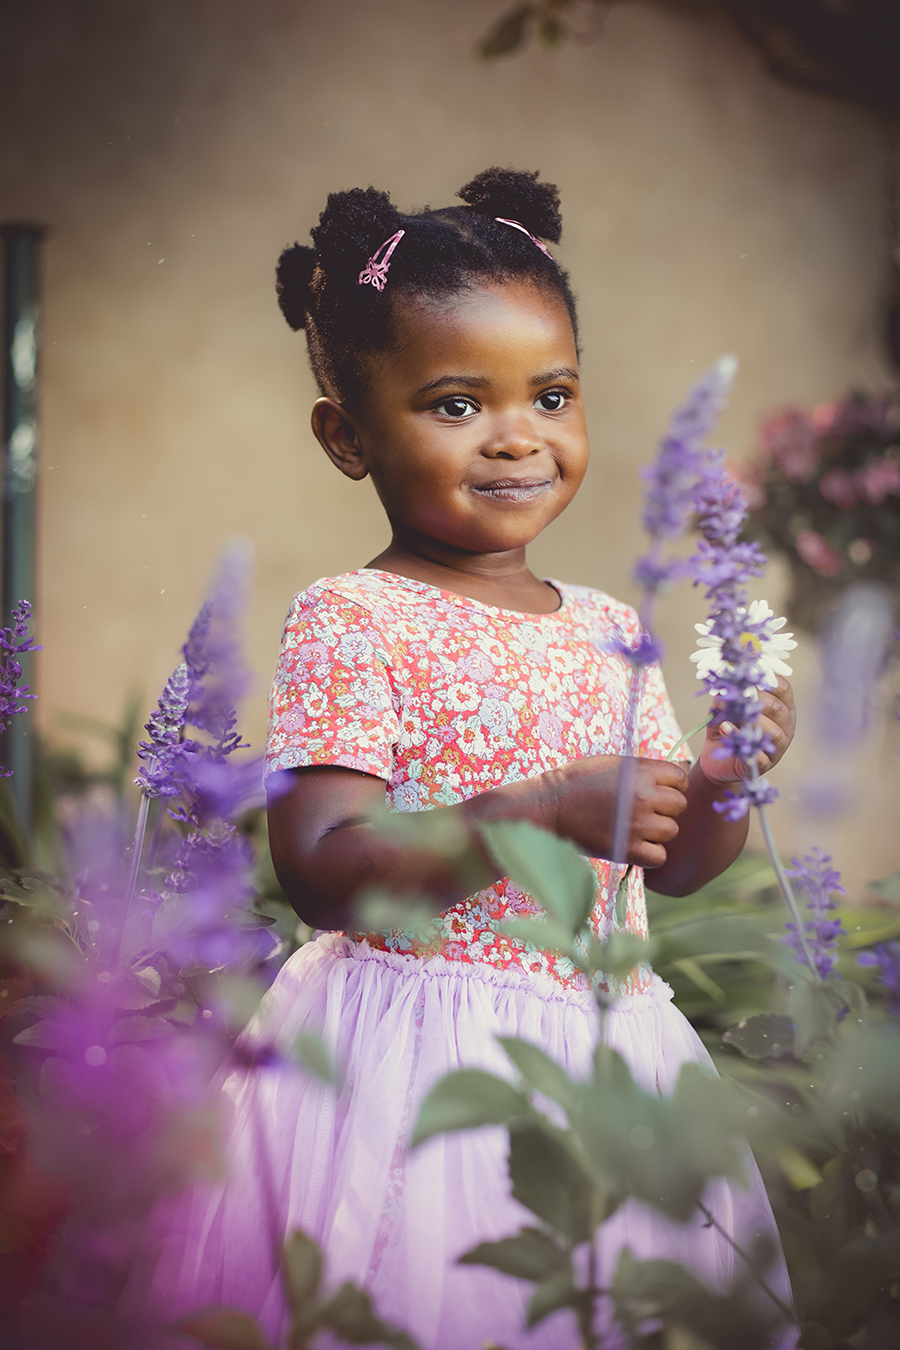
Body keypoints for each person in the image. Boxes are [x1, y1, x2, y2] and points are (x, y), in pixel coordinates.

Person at [149, 169, 797, 1348]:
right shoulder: (356, 615)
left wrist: (723, 777)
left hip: (610, 1052)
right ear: (348, 436)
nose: (517, 436)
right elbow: (322, 866)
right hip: (414, 1061)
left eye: (552, 395)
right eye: (455, 404)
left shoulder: (611, 626)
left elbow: (675, 864)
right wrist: (535, 811)